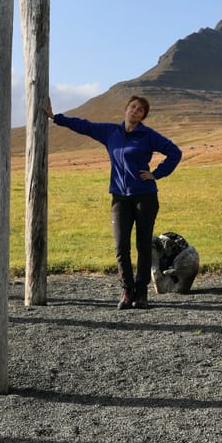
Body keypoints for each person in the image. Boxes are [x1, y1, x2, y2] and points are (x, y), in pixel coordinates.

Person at [45, 95, 182, 310]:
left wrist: (156, 174)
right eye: (133, 107)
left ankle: (142, 293)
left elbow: (175, 152)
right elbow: (85, 126)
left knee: (143, 245)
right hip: (120, 197)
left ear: (143, 116)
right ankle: (127, 290)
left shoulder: (148, 135)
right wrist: (56, 118)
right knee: (121, 246)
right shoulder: (111, 132)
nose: (135, 111)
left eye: (140, 110)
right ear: (126, 109)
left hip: (144, 196)